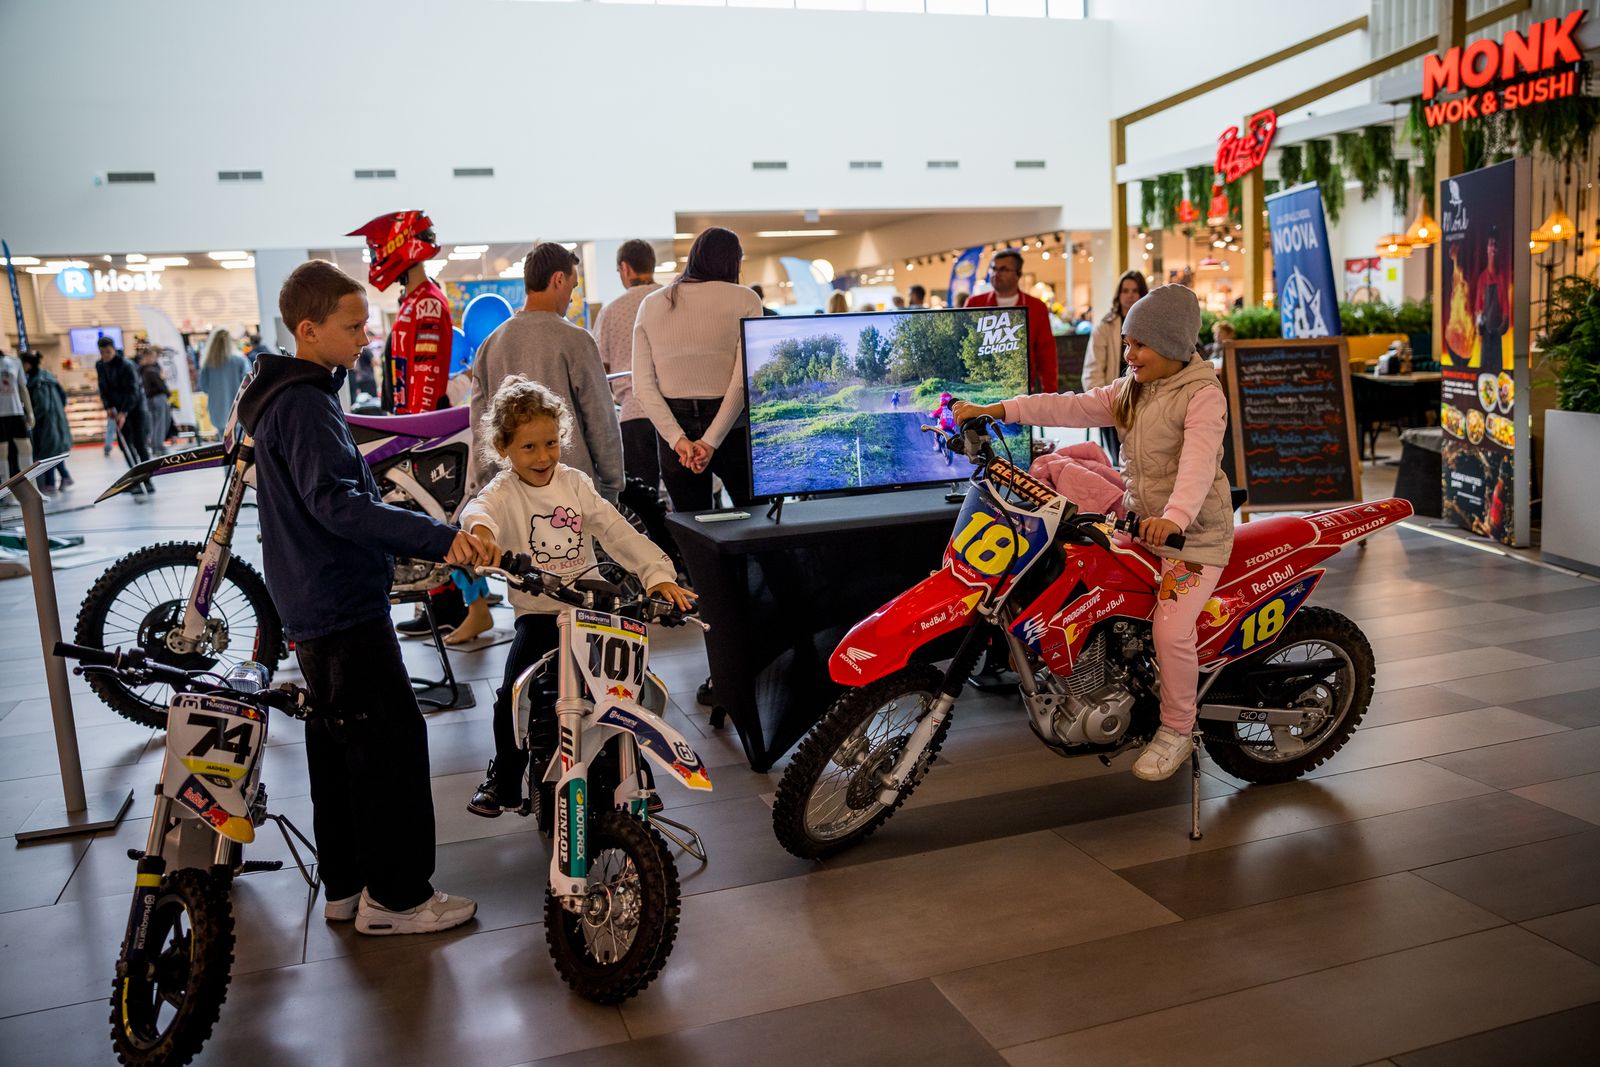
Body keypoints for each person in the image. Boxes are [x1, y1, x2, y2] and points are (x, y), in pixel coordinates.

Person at [234, 259, 494, 935]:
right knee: (390, 744)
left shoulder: (281, 397)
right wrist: (439, 538)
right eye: (352, 327)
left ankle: (347, 887)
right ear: (308, 329)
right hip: (340, 601)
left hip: (310, 599)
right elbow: (337, 503)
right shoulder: (305, 402)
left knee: (338, 743)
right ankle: (398, 899)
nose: (364, 338)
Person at [953, 284, 1233, 783]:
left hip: (1192, 538)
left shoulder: (1202, 396)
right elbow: (1071, 407)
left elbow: (1197, 465)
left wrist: (1174, 518)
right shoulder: (1134, 388)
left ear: (1171, 344)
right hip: (1140, 523)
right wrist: (998, 410)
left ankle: (1176, 729)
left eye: (1140, 345)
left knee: (1171, 630)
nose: (1129, 354)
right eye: (1126, 343)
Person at [459, 375, 692, 817]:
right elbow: (478, 511)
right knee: (511, 694)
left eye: (551, 443)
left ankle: (636, 770)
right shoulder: (503, 492)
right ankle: (504, 778)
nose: (543, 456)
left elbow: (617, 531)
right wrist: (482, 534)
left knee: (626, 688)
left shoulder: (575, 483)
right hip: (539, 616)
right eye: (529, 447)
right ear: (504, 447)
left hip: (590, 612)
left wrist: (658, 575)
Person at [469, 242, 623, 502]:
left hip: (513, 494)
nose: (571, 298)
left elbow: (481, 429)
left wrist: (486, 489)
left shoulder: (490, 346)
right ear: (558, 280)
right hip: (573, 493)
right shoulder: (576, 340)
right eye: (572, 287)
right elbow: (601, 421)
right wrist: (611, 485)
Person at [631, 226, 763, 513]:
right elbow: (743, 381)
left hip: (673, 423)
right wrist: (711, 441)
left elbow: (642, 386)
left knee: (693, 526)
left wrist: (677, 439)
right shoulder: (746, 299)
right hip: (733, 423)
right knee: (757, 519)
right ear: (734, 262)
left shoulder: (651, 304)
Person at [347, 211, 451, 415]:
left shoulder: (427, 303)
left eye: (377, 251)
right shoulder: (413, 301)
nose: (375, 259)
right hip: (407, 418)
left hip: (419, 424)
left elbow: (426, 377)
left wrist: (415, 427)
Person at [592, 238, 662, 489]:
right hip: (678, 412)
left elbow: (600, 368)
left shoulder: (611, 312)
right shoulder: (671, 300)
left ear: (625, 268)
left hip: (634, 414)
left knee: (644, 496)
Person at [965, 249, 1057, 393]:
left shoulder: (1036, 307)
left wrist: (1050, 393)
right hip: (981, 388)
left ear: (1018, 274)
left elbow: (1046, 354)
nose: (996, 274)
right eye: (993, 268)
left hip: (1022, 390)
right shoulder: (974, 304)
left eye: (1003, 269)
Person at [1082, 270, 1149, 465]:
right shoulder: (1105, 326)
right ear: (1118, 295)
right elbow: (1092, 369)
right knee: (1120, 461)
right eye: (1125, 291)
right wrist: (1101, 402)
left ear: (1143, 294)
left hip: (1146, 400)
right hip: (1115, 401)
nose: (1130, 295)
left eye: (1135, 291)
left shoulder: (1152, 325)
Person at [95, 336, 152, 480]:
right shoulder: (100, 365)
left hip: (135, 409)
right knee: (124, 445)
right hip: (118, 410)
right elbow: (103, 388)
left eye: (108, 352)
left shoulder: (126, 365)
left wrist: (124, 412)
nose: (105, 355)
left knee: (139, 444)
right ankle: (135, 478)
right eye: (102, 352)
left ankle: (147, 480)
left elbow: (133, 391)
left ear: (114, 349)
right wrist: (108, 406)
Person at [21, 351, 73, 492]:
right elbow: (63, 398)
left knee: (47, 453)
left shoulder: (37, 381)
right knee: (52, 451)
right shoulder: (47, 376)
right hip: (56, 418)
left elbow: (42, 405)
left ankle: (52, 483)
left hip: (46, 422)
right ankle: (62, 478)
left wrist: (30, 417)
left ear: (28, 364)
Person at [197, 328, 250, 437]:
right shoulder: (239, 360)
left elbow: (204, 387)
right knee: (239, 439)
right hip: (239, 410)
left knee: (223, 440)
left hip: (217, 411)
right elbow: (248, 382)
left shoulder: (207, 363)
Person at [0, 348, 35, 483]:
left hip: (16, 412)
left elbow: (23, 388)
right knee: (2, 452)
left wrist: (30, 412)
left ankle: (31, 485)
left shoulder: (15, 362)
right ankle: (6, 491)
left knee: (26, 448)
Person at [137, 349, 170, 455]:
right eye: (153, 356)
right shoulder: (150, 370)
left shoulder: (143, 370)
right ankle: (158, 446)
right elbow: (160, 385)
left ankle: (155, 446)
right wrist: (167, 392)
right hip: (157, 397)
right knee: (160, 423)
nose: (155, 359)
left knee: (155, 423)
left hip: (151, 398)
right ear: (147, 357)